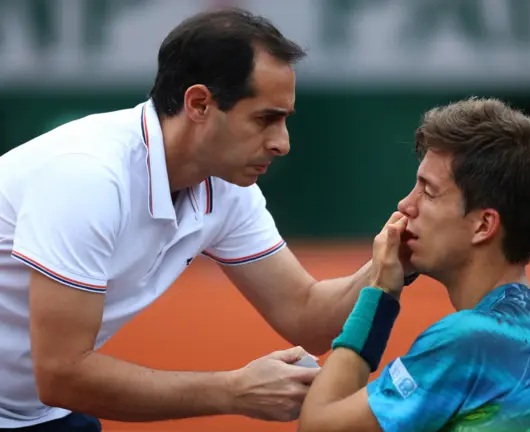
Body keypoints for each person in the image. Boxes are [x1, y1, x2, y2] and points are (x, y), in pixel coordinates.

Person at [0, 8, 396, 431]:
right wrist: (232, 390)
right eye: (265, 119)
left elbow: (306, 317)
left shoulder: (223, 186)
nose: (282, 143)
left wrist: (394, 254)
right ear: (199, 104)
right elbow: (61, 374)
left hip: (35, 414)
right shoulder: (87, 177)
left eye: (285, 120)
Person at [298, 98, 530, 432]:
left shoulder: (467, 342)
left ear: (483, 225)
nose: (405, 204)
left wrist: (379, 295)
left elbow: (318, 426)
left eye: (428, 192)